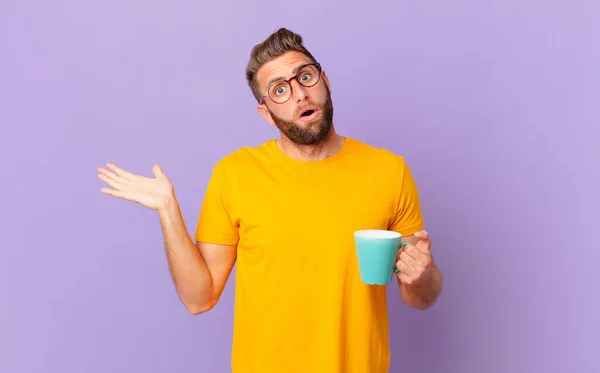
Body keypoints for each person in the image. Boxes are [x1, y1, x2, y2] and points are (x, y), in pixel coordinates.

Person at [97, 27, 443, 373]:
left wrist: (423, 276)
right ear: (266, 113)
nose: (300, 95)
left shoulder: (389, 171)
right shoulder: (235, 174)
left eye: (305, 77)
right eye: (280, 90)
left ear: (324, 80)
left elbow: (420, 297)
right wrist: (168, 212)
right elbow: (198, 299)